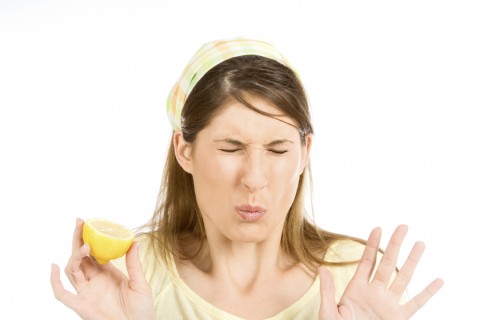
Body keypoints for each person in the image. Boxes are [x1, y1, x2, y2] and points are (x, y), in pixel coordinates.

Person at [50, 37, 443, 319]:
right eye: (231, 148)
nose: (255, 178)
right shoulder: (134, 276)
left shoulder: (359, 282)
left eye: (277, 150)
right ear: (184, 150)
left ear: (305, 152)